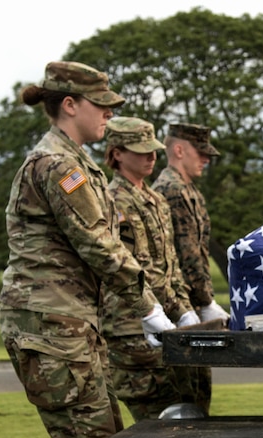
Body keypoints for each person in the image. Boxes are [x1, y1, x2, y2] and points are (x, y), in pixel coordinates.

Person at [0, 61, 171, 438]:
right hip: (52, 324)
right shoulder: (59, 164)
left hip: (68, 322)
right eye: (101, 105)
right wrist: (147, 306)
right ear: (71, 105)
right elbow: (98, 243)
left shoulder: (73, 161)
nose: (109, 114)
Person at [100, 117, 201, 420]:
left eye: (154, 150)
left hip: (165, 323)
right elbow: (142, 266)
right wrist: (177, 309)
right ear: (117, 153)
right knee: (156, 422)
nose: (151, 157)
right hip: (132, 328)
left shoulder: (155, 200)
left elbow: (171, 265)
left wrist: (185, 309)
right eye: (141, 151)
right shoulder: (114, 200)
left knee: (187, 411)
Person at [152, 123, 229, 414]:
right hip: (179, 304)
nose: (206, 159)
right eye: (201, 152)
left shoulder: (188, 189)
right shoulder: (171, 190)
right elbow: (186, 254)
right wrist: (205, 300)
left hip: (190, 303)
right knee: (189, 397)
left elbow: (199, 249)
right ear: (179, 150)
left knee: (198, 390)